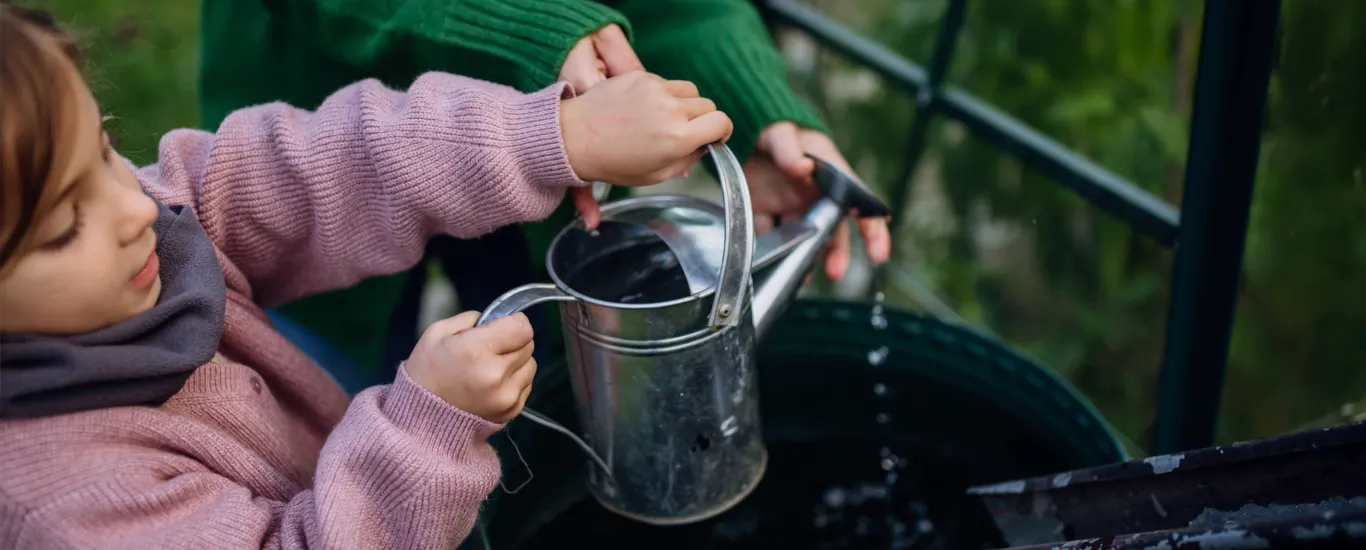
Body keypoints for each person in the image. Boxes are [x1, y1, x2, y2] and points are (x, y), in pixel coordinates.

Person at [0, 3, 734, 548]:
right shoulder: (69, 503)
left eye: (105, 151)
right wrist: (426, 433)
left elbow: (332, 167)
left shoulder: (155, 209)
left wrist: (551, 137)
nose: (135, 207)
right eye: (64, 224)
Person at [197, 0, 894, 390]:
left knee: (527, 385)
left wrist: (761, 110)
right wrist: (530, 25)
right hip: (320, 153)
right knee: (321, 410)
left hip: (553, 165)